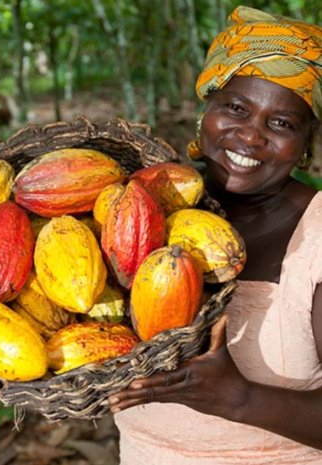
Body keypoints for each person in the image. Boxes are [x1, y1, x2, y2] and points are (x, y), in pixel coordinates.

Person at [108, 6, 322, 464]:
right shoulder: (143, 204)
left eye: (281, 123)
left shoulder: (317, 237)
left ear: (306, 145)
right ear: (206, 109)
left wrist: (239, 398)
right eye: (236, 108)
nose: (250, 136)